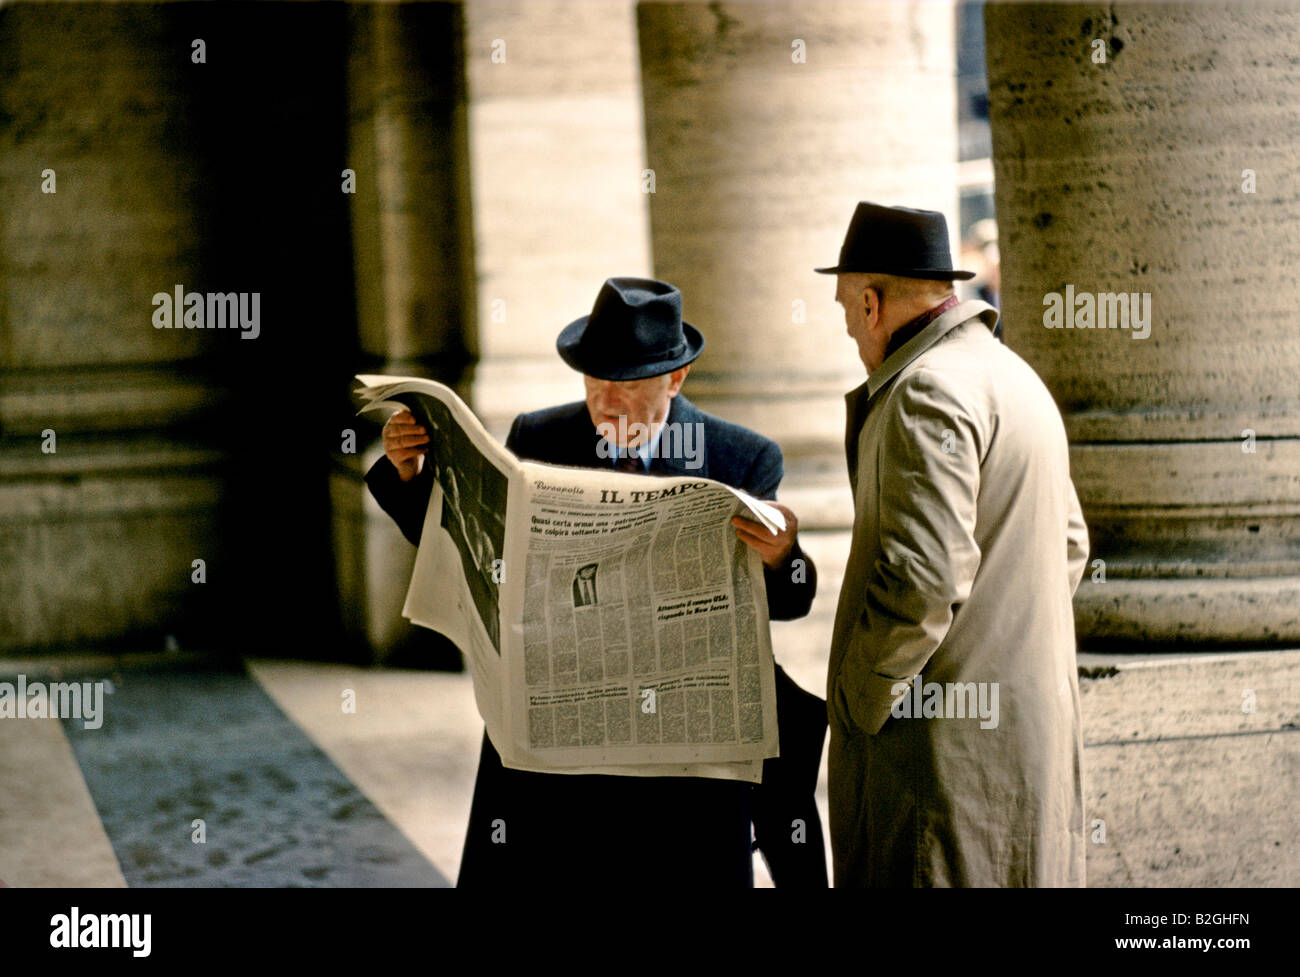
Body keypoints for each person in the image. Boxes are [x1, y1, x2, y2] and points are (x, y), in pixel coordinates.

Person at [366, 276, 829, 888]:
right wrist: (411, 473)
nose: (607, 405)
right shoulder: (538, 438)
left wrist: (780, 555)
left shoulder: (740, 456)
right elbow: (464, 540)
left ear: (675, 379)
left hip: (687, 735)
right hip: (568, 711)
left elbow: (791, 598)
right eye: (594, 385)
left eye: (629, 388)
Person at [815, 202, 1089, 887]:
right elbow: (1071, 546)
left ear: (872, 302)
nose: (849, 328)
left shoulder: (924, 391)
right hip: (1022, 751)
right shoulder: (1012, 374)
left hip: (935, 766)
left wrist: (858, 699)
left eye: (847, 309)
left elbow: (924, 582)